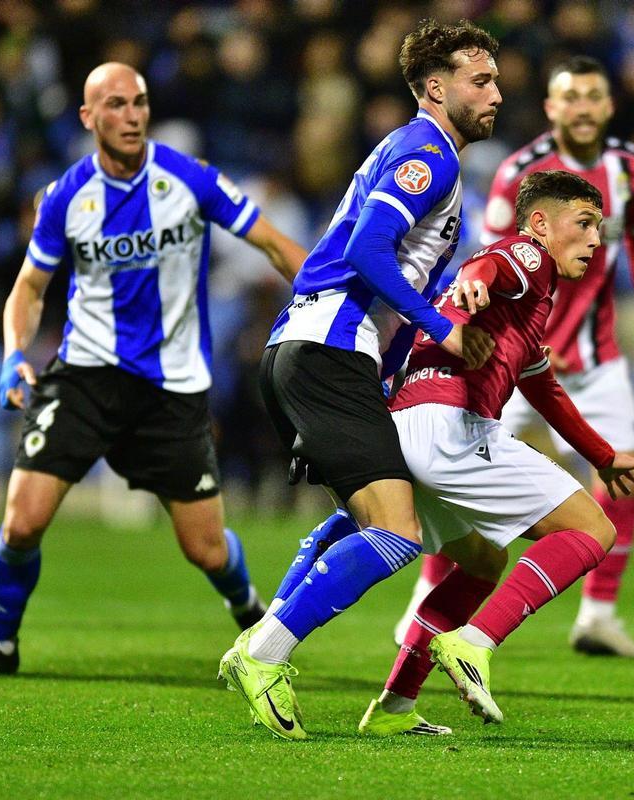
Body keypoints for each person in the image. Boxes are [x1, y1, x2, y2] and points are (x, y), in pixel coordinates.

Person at [0, 63, 307, 676]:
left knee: (207, 550)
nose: (131, 116)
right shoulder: (66, 198)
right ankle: (0, 647)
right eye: (115, 105)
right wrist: (12, 357)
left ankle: (249, 614)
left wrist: (326, 295)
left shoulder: (188, 180)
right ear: (88, 118)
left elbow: (271, 242)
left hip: (172, 389)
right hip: (87, 376)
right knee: (22, 521)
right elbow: (30, 287)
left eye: (139, 103)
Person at [217, 19, 500, 740]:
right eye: (481, 80)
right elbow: (370, 251)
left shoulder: (418, 152)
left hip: (312, 350)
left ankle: (261, 650)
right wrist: (442, 329)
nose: (495, 92)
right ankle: (265, 651)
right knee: (399, 530)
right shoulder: (424, 153)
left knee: (359, 519)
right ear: (436, 88)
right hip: (326, 350)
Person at [394, 55, 634, 659]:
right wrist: (470, 303)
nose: (581, 107)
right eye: (569, 96)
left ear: (607, 106)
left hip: (583, 359)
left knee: (617, 479)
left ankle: (597, 616)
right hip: (501, 358)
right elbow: (497, 256)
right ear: (551, 108)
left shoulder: (632, 171)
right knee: (469, 506)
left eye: (593, 96)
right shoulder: (522, 174)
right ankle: (448, 628)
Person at [355, 169, 634, 735]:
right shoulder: (529, 257)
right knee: (593, 532)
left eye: (599, 227)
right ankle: (475, 642)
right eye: (584, 224)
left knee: (485, 561)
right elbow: (487, 267)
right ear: (541, 223)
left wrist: (601, 454)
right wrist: (470, 286)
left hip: (408, 427)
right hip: (451, 425)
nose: (595, 240)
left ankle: (395, 707)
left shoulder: (529, 305)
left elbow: (543, 385)